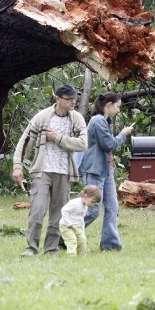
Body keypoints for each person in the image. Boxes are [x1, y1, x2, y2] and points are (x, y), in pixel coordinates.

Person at [12, 84, 87, 256]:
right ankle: (31, 248)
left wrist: (58, 138)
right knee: (37, 210)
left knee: (58, 215)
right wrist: (17, 166)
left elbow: (83, 144)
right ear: (58, 99)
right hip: (42, 171)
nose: (73, 102)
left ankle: (51, 249)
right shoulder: (42, 117)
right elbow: (25, 143)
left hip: (64, 172)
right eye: (69, 99)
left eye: (74, 98)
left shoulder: (76, 119)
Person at [80, 92, 134, 251]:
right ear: (109, 105)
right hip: (95, 170)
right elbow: (109, 144)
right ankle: (66, 232)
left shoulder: (105, 121)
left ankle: (110, 244)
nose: (118, 110)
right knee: (93, 209)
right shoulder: (97, 121)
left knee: (112, 207)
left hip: (106, 170)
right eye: (117, 106)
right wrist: (123, 134)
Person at [59, 185, 103, 256]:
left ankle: (81, 257)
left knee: (82, 240)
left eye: (95, 203)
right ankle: (71, 256)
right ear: (85, 196)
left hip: (76, 227)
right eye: (92, 202)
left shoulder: (85, 206)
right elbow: (64, 210)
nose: (93, 205)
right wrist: (68, 223)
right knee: (72, 240)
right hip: (66, 226)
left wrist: (82, 230)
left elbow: (81, 219)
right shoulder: (75, 203)